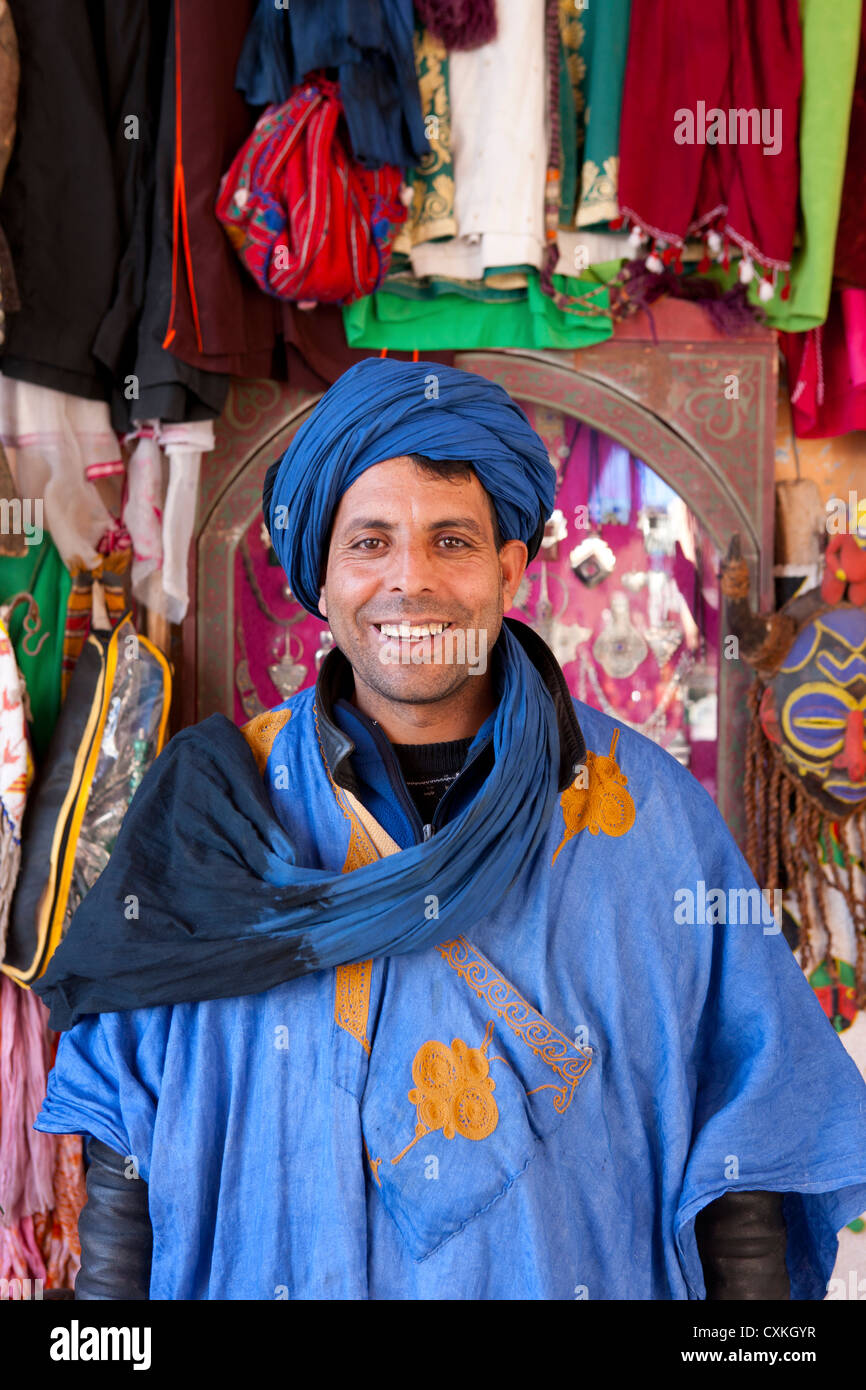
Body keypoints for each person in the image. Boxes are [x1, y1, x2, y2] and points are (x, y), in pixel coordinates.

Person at [31, 359, 866, 1301]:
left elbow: (746, 1151)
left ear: (510, 565)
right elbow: (121, 1150)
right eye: (372, 542)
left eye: (453, 541)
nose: (411, 580)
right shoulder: (215, 814)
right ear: (322, 573)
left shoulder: (650, 822)